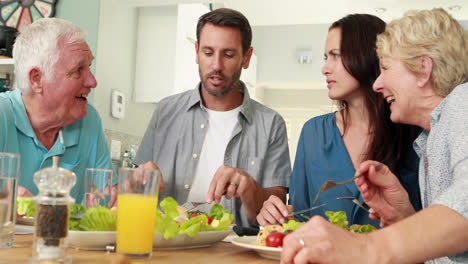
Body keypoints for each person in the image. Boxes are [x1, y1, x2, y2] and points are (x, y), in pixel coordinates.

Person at [281, 8, 468, 264]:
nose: (378, 84)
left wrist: (365, 248)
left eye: (386, 68)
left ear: (424, 70)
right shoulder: (429, 139)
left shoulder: (463, 102)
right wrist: (404, 215)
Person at [256, 14, 421, 227]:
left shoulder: (415, 134)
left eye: (336, 55)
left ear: (368, 56)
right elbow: (297, 218)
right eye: (326, 58)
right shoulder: (313, 132)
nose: (325, 68)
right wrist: (275, 217)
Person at [134, 8, 291, 227]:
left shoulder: (271, 124)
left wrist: (248, 186)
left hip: (233, 254)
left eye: (228, 54)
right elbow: (134, 190)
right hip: (168, 246)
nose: (216, 65)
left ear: (246, 57)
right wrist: (140, 180)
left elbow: (275, 209)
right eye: (208, 53)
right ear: (197, 51)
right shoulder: (165, 111)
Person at [0, 18, 115, 206]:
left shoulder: (88, 120)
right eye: (78, 70)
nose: (92, 81)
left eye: (89, 67)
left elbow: (107, 205)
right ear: (37, 79)